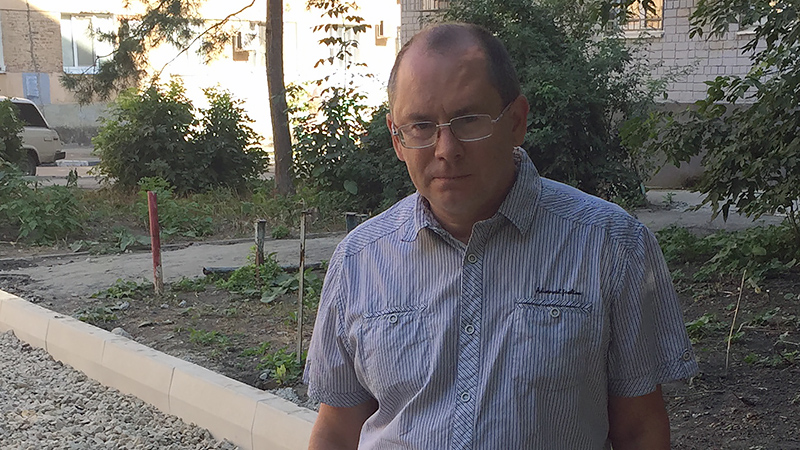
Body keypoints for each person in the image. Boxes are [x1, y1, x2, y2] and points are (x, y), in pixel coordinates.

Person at [304, 22, 698, 449]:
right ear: (397, 140)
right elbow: (338, 429)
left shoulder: (611, 246)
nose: (446, 149)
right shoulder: (360, 260)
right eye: (420, 126)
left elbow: (639, 429)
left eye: (468, 120)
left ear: (516, 121)